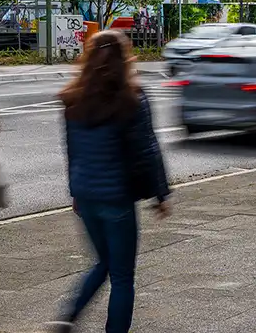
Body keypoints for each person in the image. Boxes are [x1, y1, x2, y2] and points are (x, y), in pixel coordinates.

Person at [47, 30, 171, 333]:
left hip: (87, 196)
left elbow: (72, 151)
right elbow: (147, 149)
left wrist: (76, 191)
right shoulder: (132, 98)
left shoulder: (74, 99)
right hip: (117, 198)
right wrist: (160, 194)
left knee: (103, 262)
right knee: (122, 276)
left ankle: (68, 315)